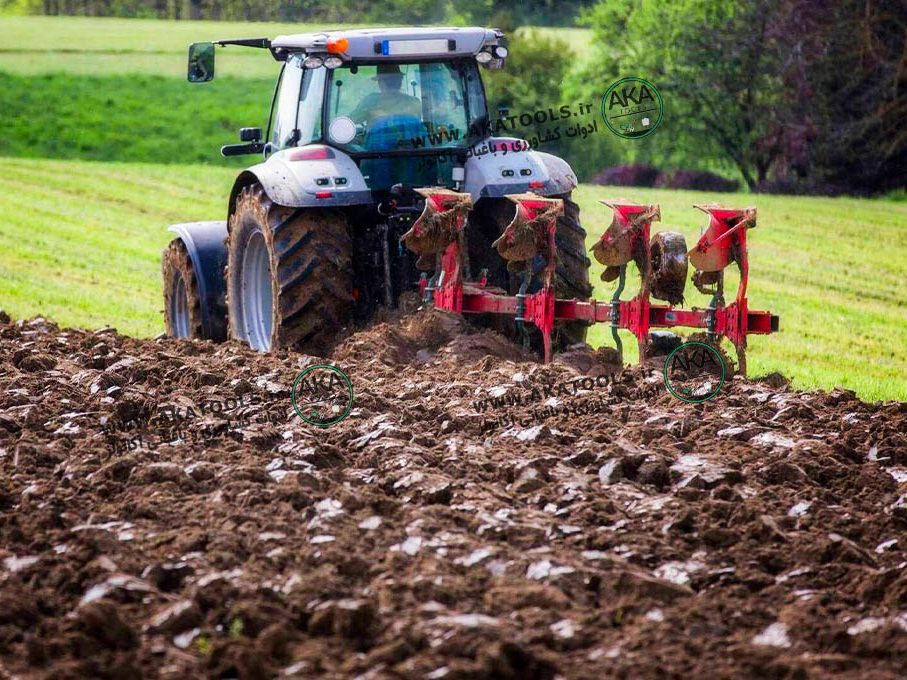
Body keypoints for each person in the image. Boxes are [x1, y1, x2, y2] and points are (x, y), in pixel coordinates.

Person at [349, 64, 422, 127]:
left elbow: (351, 121)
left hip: (376, 143)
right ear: (400, 81)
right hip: (411, 143)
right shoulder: (414, 102)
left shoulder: (371, 101)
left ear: (381, 83)